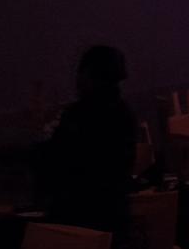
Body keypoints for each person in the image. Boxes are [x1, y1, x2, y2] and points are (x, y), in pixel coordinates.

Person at [38, 45, 138, 232]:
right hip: (114, 221)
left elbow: (55, 160)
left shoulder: (78, 116)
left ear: (88, 75)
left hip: (75, 222)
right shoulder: (125, 116)